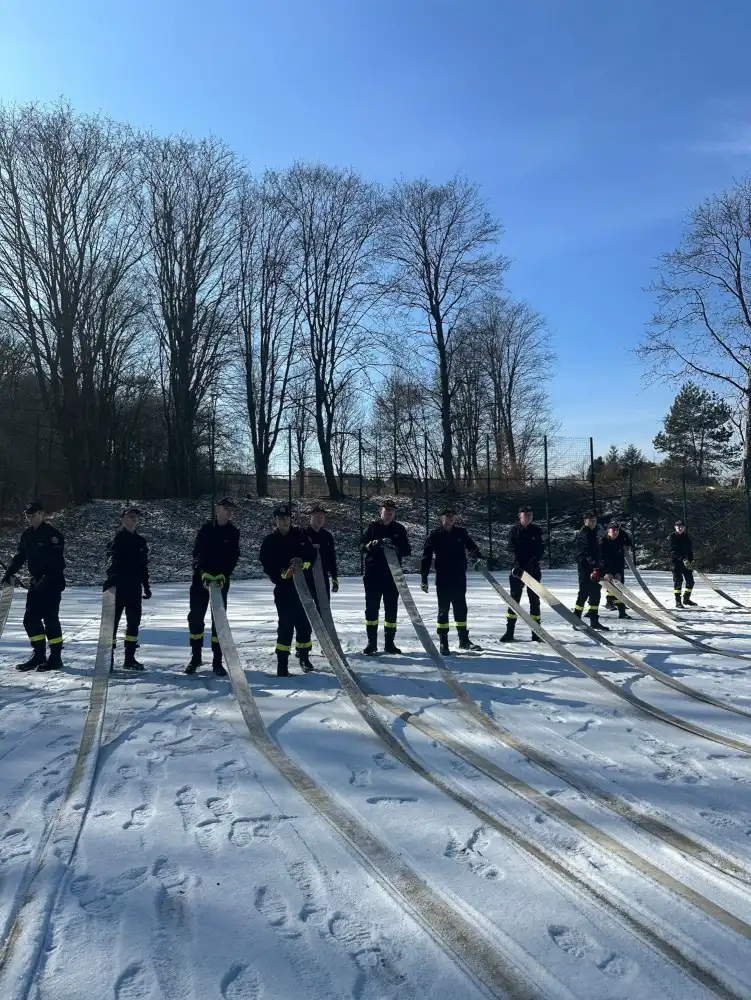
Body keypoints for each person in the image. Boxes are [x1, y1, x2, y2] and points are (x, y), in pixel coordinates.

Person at [1, 501, 66, 671]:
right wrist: (9, 573)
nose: (31, 519)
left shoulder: (53, 535)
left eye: (34, 515)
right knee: (30, 620)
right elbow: (20, 556)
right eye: (28, 516)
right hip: (36, 582)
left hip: (52, 582)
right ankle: (38, 655)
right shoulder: (27, 535)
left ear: (42, 514)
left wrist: (46, 579)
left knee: (50, 619)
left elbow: (58, 563)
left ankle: (56, 657)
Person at [259, 503, 317, 676]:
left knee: (304, 624)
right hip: (284, 589)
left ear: (291, 519)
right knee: (285, 625)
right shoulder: (270, 540)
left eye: (286, 518)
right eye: (280, 519)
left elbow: (311, 556)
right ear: (276, 520)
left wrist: (304, 565)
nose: (283, 521)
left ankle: (304, 657)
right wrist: (281, 574)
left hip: (303, 587)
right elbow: (266, 563)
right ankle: (282, 662)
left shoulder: (300, 535)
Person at [186, 497, 240, 676]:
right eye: (226, 508)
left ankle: (217, 661)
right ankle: (196, 657)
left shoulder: (233, 532)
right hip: (200, 580)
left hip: (220, 581)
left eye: (231, 509)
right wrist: (202, 572)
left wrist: (224, 574)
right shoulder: (206, 529)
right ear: (218, 510)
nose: (229, 512)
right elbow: (196, 553)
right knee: (195, 617)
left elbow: (233, 557)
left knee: (219, 621)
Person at [420, 507, 483, 653]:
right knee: (443, 609)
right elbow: (426, 556)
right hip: (443, 577)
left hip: (459, 576)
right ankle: (443, 642)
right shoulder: (435, 535)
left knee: (461, 608)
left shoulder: (461, 533)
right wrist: (424, 577)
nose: (450, 518)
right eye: (447, 516)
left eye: (452, 515)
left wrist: (479, 557)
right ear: (441, 518)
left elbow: (471, 547)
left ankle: (464, 640)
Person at [360, 499, 411, 655]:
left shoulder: (399, 529)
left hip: (392, 576)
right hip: (373, 575)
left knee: (391, 610)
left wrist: (396, 548)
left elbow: (407, 550)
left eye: (392, 511)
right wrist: (372, 544)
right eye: (386, 511)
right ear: (380, 512)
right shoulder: (372, 527)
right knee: (371, 611)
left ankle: (389, 643)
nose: (389, 513)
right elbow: (361, 547)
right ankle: (372, 643)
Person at [104, 506, 151, 671]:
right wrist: (110, 582)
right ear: (122, 519)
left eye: (136, 516)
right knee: (112, 626)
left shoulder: (141, 541)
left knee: (133, 625)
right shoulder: (116, 540)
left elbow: (143, 566)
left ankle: (129, 658)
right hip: (118, 589)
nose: (134, 519)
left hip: (134, 588)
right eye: (130, 516)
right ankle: (107, 660)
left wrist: (146, 586)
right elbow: (109, 564)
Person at [501, 505, 545, 643]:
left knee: (535, 601)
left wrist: (534, 560)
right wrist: (518, 563)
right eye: (525, 514)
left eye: (530, 514)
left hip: (533, 570)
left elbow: (540, 548)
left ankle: (536, 633)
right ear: (519, 516)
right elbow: (511, 547)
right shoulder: (514, 531)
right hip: (517, 570)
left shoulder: (537, 530)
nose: (528, 516)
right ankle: (509, 631)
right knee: (514, 600)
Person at [573, 513, 608, 631]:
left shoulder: (594, 533)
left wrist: (599, 566)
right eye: (590, 520)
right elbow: (581, 553)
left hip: (596, 568)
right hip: (585, 569)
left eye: (594, 520)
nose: (593, 522)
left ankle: (594, 621)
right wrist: (592, 565)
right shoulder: (583, 534)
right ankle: (576, 620)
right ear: (585, 521)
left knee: (595, 594)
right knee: (583, 593)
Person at [304, 503, 339, 599]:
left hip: (323, 578)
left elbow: (331, 558)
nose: (320, 519)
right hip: (307, 577)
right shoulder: (303, 535)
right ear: (311, 517)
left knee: (324, 607)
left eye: (322, 517)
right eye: (317, 517)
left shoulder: (327, 537)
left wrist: (334, 577)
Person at [599, 521, 632, 619]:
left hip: (617, 566)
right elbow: (601, 559)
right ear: (608, 531)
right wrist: (606, 572)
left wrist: (618, 572)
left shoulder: (620, 539)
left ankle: (622, 612)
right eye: (613, 530)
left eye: (616, 530)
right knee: (608, 588)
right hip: (605, 567)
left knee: (619, 588)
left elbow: (620, 557)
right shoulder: (602, 542)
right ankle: (607, 603)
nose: (615, 532)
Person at [669, 519, 697, 607]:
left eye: (682, 527)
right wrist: (680, 558)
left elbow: (690, 550)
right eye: (678, 527)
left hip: (686, 563)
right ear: (675, 527)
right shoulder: (672, 537)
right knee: (678, 582)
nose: (680, 528)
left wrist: (691, 561)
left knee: (690, 582)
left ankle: (686, 599)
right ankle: (678, 602)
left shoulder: (686, 537)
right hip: (676, 563)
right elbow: (671, 551)